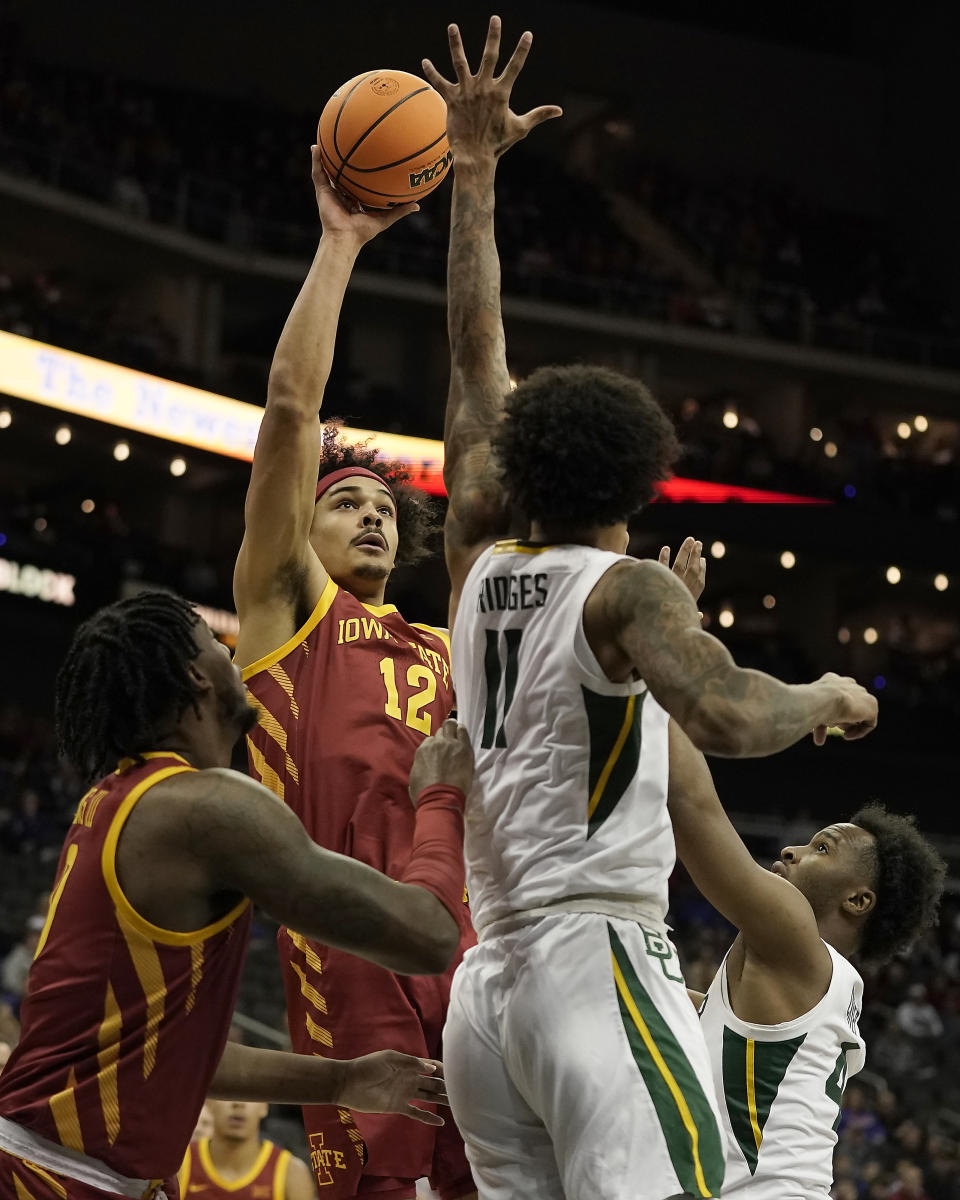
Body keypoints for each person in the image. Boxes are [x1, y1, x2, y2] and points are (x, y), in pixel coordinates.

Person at [422, 17, 880, 1199]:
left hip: (489, 990)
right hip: (595, 966)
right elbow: (727, 716)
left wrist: (473, 176)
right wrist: (826, 692)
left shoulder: (475, 552)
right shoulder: (623, 590)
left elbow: (477, 356)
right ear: (634, 487)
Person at [0, 591, 473, 1200]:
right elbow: (428, 936)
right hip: (53, 1176)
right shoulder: (203, 809)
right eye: (214, 642)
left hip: (75, 1170)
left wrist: (341, 1082)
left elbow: (186, 1057)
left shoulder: (124, 802)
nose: (235, 654)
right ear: (197, 676)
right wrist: (440, 798)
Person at [232, 141, 475, 1199]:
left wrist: (479, 198)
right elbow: (291, 411)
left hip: (472, 949)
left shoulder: (445, 646)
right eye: (346, 502)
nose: (372, 512)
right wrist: (340, 244)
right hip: (348, 943)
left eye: (383, 506)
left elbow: (485, 451)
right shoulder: (292, 615)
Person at [668, 720, 944, 1198]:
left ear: (858, 901)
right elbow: (701, 1019)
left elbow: (692, 804)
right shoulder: (816, 982)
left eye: (821, 848)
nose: (790, 850)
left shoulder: (796, 945)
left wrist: (654, 691)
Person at [178, 1100, 314, 1200]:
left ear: (265, 1107)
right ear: (210, 1103)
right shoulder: (178, 1165)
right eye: (229, 1093)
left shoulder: (293, 1172)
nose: (238, 1104)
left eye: (250, 1096)